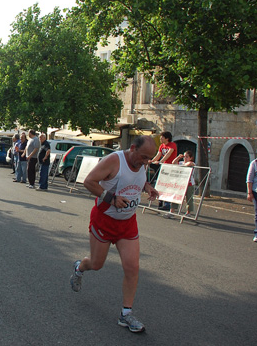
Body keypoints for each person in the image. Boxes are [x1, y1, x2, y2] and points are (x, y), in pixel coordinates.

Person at [69, 135, 159, 333]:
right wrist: (110, 198)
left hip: (127, 223)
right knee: (96, 264)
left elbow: (135, 179)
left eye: (148, 159)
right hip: (104, 221)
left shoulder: (141, 162)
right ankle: (79, 268)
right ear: (133, 148)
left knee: (132, 267)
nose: (145, 162)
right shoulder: (114, 160)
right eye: (143, 157)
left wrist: (148, 187)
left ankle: (126, 315)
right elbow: (89, 181)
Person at [151, 131, 177, 211]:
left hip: (171, 167)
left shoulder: (172, 145)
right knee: (160, 184)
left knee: (168, 186)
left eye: (162, 137)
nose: (160, 139)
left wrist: (161, 161)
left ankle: (167, 204)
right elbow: (158, 155)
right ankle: (160, 201)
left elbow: (168, 154)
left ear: (167, 138)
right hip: (164, 167)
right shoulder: (162, 146)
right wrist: (151, 161)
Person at [171, 151, 196, 216]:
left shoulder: (192, 163)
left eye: (187, 157)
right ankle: (172, 211)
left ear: (190, 158)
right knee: (176, 196)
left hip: (189, 184)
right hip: (181, 183)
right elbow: (173, 162)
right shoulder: (181, 162)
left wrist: (181, 166)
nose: (185, 158)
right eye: (184, 156)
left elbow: (189, 164)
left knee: (189, 198)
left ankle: (188, 212)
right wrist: (178, 157)